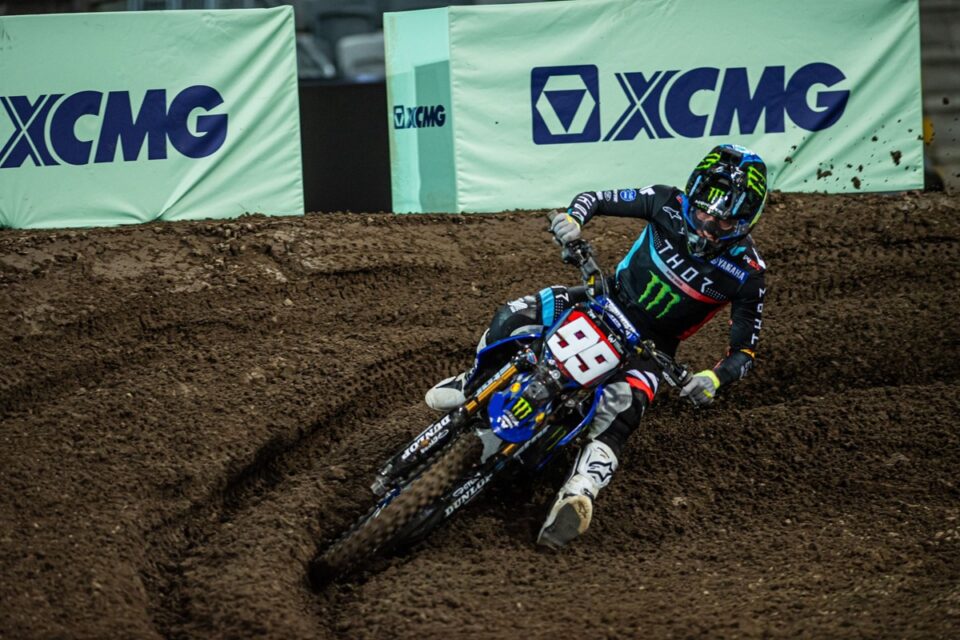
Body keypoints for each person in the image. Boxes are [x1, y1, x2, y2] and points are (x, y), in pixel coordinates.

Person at [425, 144, 769, 549]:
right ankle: (473, 382)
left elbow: (744, 353)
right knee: (514, 316)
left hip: (652, 349)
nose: (709, 227)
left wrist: (713, 378)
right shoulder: (666, 202)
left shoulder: (748, 273)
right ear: (691, 199)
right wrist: (572, 220)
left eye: (724, 222)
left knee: (622, 410)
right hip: (603, 297)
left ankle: (579, 493)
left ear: (745, 222)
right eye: (703, 213)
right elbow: (596, 198)